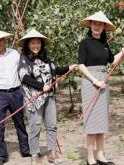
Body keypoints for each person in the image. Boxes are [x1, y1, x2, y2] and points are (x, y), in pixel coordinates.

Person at [74, 11, 124, 165]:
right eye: (95, 23)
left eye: (100, 24)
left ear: (104, 27)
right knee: (92, 121)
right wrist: (94, 80)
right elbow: (81, 65)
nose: (97, 26)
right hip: (90, 82)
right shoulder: (84, 43)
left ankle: (100, 155)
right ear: (90, 25)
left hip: (104, 82)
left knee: (101, 121)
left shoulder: (104, 44)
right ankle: (90, 158)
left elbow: (112, 61)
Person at [17, 29, 77, 165]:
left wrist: (69, 67)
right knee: (35, 126)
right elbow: (23, 77)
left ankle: (52, 152)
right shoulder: (24, 59)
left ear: (41, 44)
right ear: (27, 45)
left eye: (38, 43)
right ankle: (34, 154)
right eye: (32, 43)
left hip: (49, 97)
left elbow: (55, 70)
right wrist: (41, 86)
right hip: (34, 99)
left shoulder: (45, 59)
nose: (35, 45)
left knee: (52, 125)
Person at [0, 28, 30, 165]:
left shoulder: (14, 53)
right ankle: (1, 156)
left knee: (20, 122)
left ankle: (25, 150)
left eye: (0, 40)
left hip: (15, 92)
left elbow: (23, 70)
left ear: (4, 40)